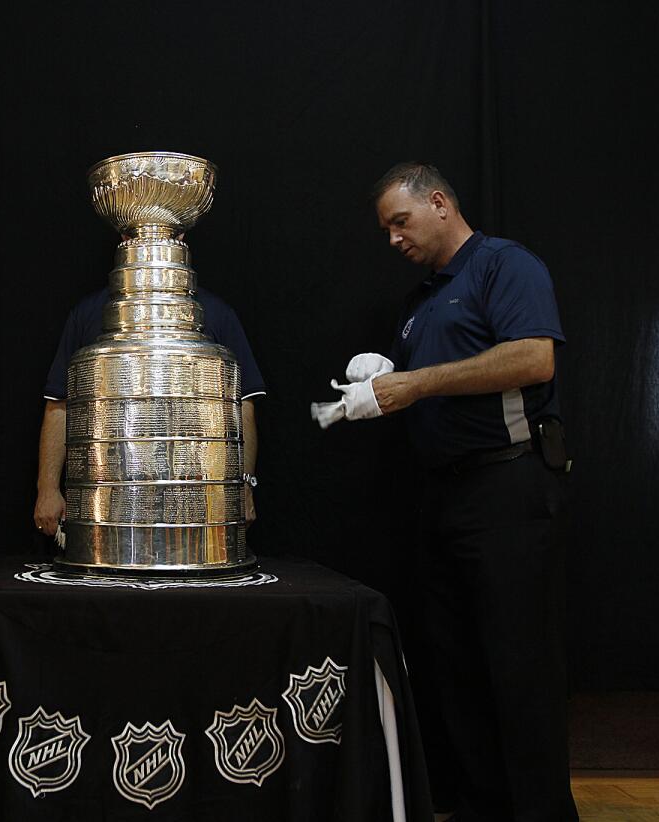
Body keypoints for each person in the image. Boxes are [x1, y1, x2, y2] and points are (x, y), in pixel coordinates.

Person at [322, 162, 577, 821]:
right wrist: (381, 385)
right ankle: (481, 808)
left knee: (519, 668)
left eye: (399, 222)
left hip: (508, 488)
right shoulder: (419, 303)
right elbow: (428, 388)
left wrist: (416, 383)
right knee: (456, 668)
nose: (393, 240)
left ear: (439, 203)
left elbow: (533, 359)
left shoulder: (503, 266)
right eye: (385, 230)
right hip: (442, 498)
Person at [33, 283, 266, 538]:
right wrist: (47, 489)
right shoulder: (87, 313)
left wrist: (245, 484)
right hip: (109, 499)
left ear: (182, 239)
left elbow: (242, 403)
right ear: (123, 240)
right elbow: (60, 404)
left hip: (197, 505)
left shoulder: (218, 313)